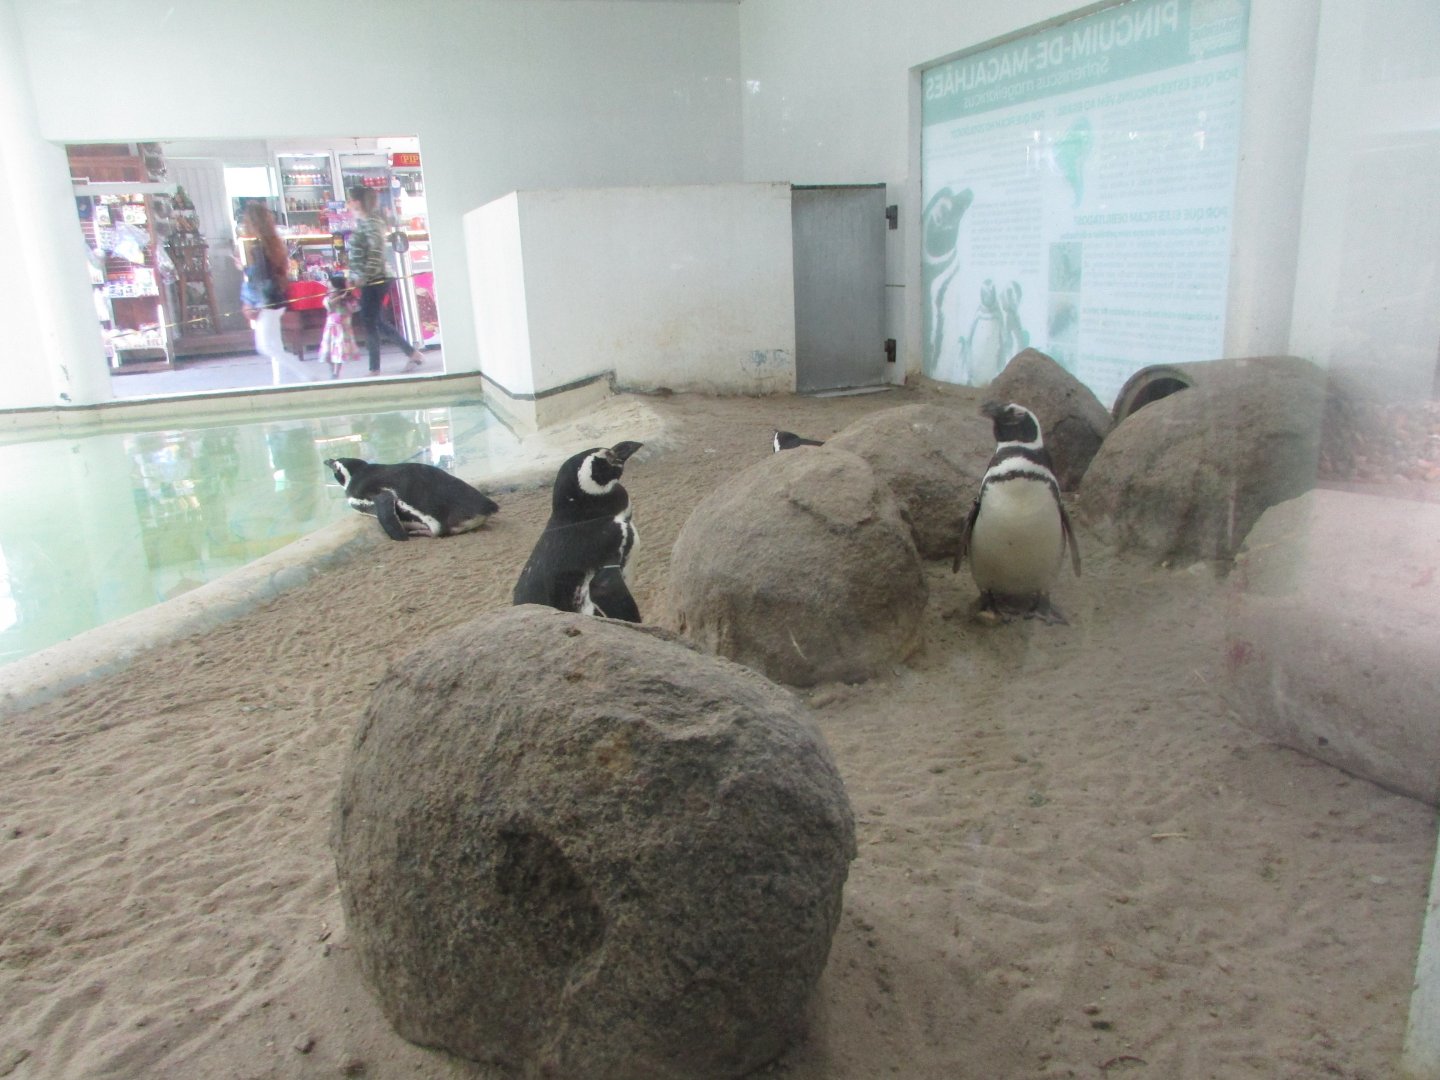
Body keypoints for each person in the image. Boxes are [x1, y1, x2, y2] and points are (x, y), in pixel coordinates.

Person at [345, 186, 423, 374]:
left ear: (356, 201)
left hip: (375, 279)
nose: (347, 203)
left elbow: (376, 252)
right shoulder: (365, 222)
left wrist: (363, 276)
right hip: (371, 278)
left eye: (349, 200)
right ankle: (412, 354)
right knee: (375, 320)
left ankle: (375, 368)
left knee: (370, 320)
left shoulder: (372, 222)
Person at [237, 201, 312, 385]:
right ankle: (279, 382)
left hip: (267, 301)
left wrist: (245, 271)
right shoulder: (273, 243)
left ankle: (305, 373)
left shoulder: (258, 248)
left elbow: (260, 277)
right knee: (275, 344)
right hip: (278, 298)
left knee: (265, 346)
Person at [318, 272, 360, 379]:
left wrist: (346, 298)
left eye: (332, 289)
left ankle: (336, 373)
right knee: (329, 351)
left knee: (340, 351)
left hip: (343, 331)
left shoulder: (349, 299)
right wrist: (339, 297)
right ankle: (332, 370)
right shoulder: (328, 299)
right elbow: (328, 305)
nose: (329, 291)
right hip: (331, 330)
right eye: (329, 289)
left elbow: (353, 309)